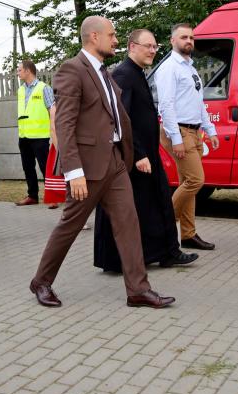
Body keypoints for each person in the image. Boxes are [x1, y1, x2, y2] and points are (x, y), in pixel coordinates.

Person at [30, 16, 174, 309]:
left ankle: (138, 289)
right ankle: (41, 281)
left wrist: (129, 154)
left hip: (116, 162)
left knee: (129, 223)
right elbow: (65, 124)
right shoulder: (73, 70)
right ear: (94, 37)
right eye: (112, 35)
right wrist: (73, 171)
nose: (116, 40)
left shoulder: (104, 72)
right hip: (87, 168)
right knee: (70, 225)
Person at [93, 29, 199, 272]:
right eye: (147, 46)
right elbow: (122, 118)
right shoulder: (123, 75)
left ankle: (167, 253)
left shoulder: (136, 72)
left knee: (157, 203)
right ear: (132, 47)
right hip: (135, 157)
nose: (152, 51)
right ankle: (120, 259)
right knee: (139, 207)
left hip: (147, 153)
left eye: (154, 46)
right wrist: (139, 154)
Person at [156, 23, 219, 250]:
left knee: (187, 183)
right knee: (195, 180)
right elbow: (166, 106)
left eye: (191, 37)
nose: (189, 41)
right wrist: (176, 139)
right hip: (179, 131)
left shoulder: (190, 68)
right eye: (183, 37)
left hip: (194, 131)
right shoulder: (169, 68)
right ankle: (161, 227)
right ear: (172, 41)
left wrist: (210, 130)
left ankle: (188, 235)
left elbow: (198, 103)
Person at [15, 60, 54, 206]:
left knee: (45, 167)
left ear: (28, 71)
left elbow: (52, 111)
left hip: (40, 137)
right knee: (27, 167)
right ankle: (32, 196)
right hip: (24, 136)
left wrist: (54, 131)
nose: (18, 73)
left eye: (19, 70)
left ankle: (52, 197)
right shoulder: (20, 90)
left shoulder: (44, 88)